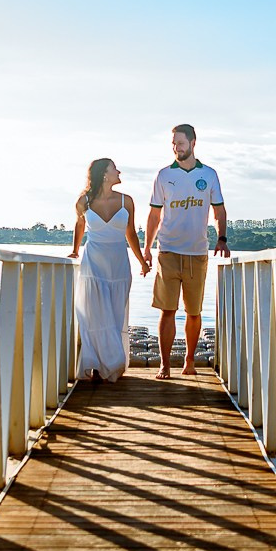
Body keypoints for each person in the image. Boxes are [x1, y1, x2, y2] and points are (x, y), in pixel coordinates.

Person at [144, 123, 229, 379]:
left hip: (197, 253)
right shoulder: (163, 175)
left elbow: (219, 211)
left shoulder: (210, 174)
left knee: (193, 311)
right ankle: (164, 364)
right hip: (168, 251)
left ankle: (190, 361)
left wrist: (221, 238)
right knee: (167, 310)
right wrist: (147, 248)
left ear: (193, 143)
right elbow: (154, 215)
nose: (176, 148)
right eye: (173, 144)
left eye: (180, 143)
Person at [67, 157, 149, 382]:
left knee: (114, 315)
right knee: (94, 315)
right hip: (93, 263)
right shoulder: (83, 201)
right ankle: (99, 363)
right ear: (104, 174)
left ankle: (109, 363)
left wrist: (141, 261)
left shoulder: (127, 201)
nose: (119, 171)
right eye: (115, 169)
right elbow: (80, 225)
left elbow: (131, 234)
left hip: (118, 264)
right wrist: (75, 250)